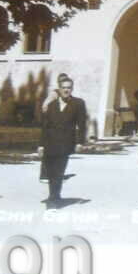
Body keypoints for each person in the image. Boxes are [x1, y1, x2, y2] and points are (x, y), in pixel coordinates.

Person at [39, 76, 88, 207]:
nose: (66, 90)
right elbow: (45, 126)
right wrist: (41, 145)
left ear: (72, 89)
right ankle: (54, 195)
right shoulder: (51, 105)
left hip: (65, 143)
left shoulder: (78, 103)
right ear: (59, 89)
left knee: (59, 171)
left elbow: (82, 124)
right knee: (50, 172)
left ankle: (53, 198)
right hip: (49, 142)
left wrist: (79, 142)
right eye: (64, 88)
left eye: (69, 88)